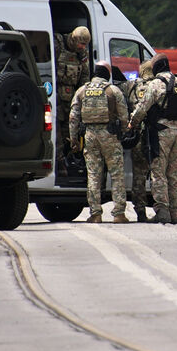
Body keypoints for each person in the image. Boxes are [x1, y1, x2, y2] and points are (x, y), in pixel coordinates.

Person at [128, 53, 177, 225]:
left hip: (161, 133)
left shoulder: (156, 84)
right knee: (175, 174)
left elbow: (142, 108)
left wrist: (132, 123)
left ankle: (162, 212)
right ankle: (176, 213)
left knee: (159, 173)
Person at [69, 60, 129, 224]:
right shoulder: (113, 91)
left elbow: (73, 118)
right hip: (110, 136)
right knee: (116, 175)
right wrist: (124, 132)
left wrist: (74, 140)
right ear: (107, 73)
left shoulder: (82, 91)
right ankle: (119, 214)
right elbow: (124, 116)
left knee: (94, 175)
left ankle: (95, 214)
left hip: (90, 136)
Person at [114, 60, 155, 223]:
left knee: (139, 175)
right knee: (159, 173)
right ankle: (163, 209)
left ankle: (140, 211)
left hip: (137, 135)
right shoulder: (157, 85)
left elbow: (116, 86)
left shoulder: (132, 85)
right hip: (155, 135)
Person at [54, 26, 91, 176]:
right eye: (81, 44)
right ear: (73, 39)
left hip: (71, 98)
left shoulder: (82, 54)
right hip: (56, 95)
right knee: (56, 132)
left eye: (85, 45)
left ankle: (66, 161)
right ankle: (58, 163)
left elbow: (85, 76)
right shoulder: (58, 44)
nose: (82, 47)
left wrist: (81, 96)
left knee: (68, 132)